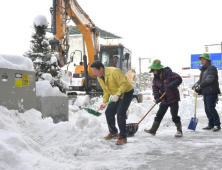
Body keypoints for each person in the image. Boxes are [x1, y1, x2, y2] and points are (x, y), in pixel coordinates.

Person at [90, 61, 134, 145]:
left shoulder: (114, 72)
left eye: (95, 71)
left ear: (101, 69)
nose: (95, 74)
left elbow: (124, 84)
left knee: (120, 113)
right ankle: (114, 133)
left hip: (126, 93)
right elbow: (106, 91)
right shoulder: (100, 77)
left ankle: (123, 136)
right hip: (116, 95)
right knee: (109, 113)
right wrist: (104, 102)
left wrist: (118, 95)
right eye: (93, 72)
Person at [144, 59, 183, 137]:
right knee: (159, 115)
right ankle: (153, 130)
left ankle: (179, 131)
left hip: (173, 98)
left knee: (174, 115)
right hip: (164, 99)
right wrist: (157, 97)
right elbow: (155, 88)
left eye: (154, 70)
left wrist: (170, 86)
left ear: (158, 69)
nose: (153, 72)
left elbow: (179, 79)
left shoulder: (170, 74)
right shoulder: (155, 78)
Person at [192, 53, 221, 131]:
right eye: (201, 59)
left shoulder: (212, 68)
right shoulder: (204, 70)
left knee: (211, 108)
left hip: (212, 91)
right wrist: (196, 85)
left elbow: (209, 79)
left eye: (203, 59)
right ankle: (211, 124)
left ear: (207, 60)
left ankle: (217, 125)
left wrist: (200, 86)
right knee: (207, 109)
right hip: (206, 92)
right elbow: (201, 80)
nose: (201, 61)